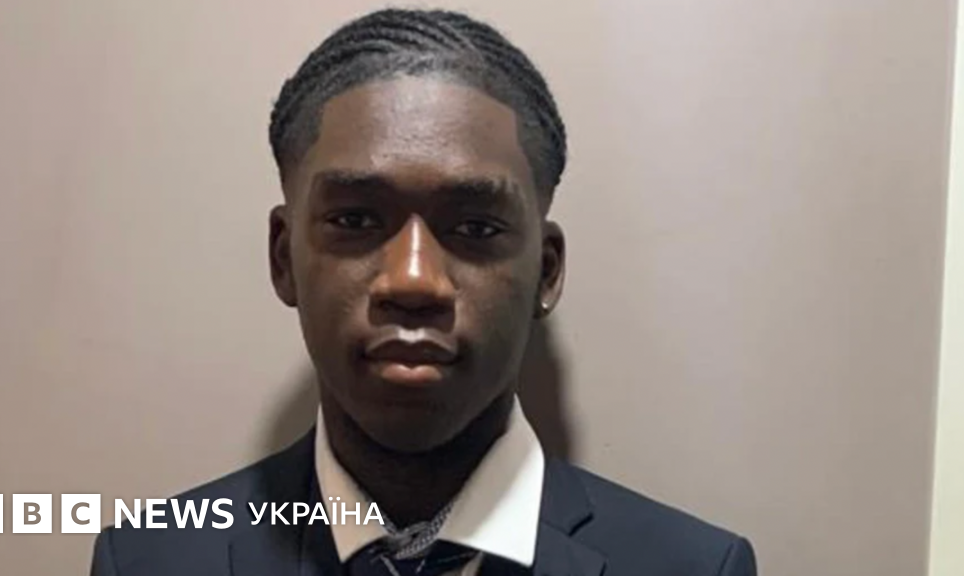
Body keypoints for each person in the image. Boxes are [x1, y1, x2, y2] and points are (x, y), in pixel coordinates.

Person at [90, 8, 756, 576]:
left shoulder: (695, 568)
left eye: (475, 227)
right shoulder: (150, 560)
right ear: (283, 258)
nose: (413, 280)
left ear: (547, 272)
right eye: (356, 220)